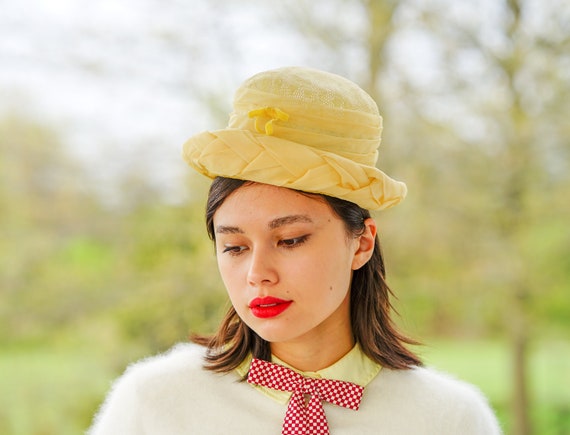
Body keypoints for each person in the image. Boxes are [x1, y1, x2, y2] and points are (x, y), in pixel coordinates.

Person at [88, 66, 501, 434]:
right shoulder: (155, 403)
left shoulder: (449, 419)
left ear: (361, 243)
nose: (257, 273)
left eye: (289, 240)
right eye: (234, 246)